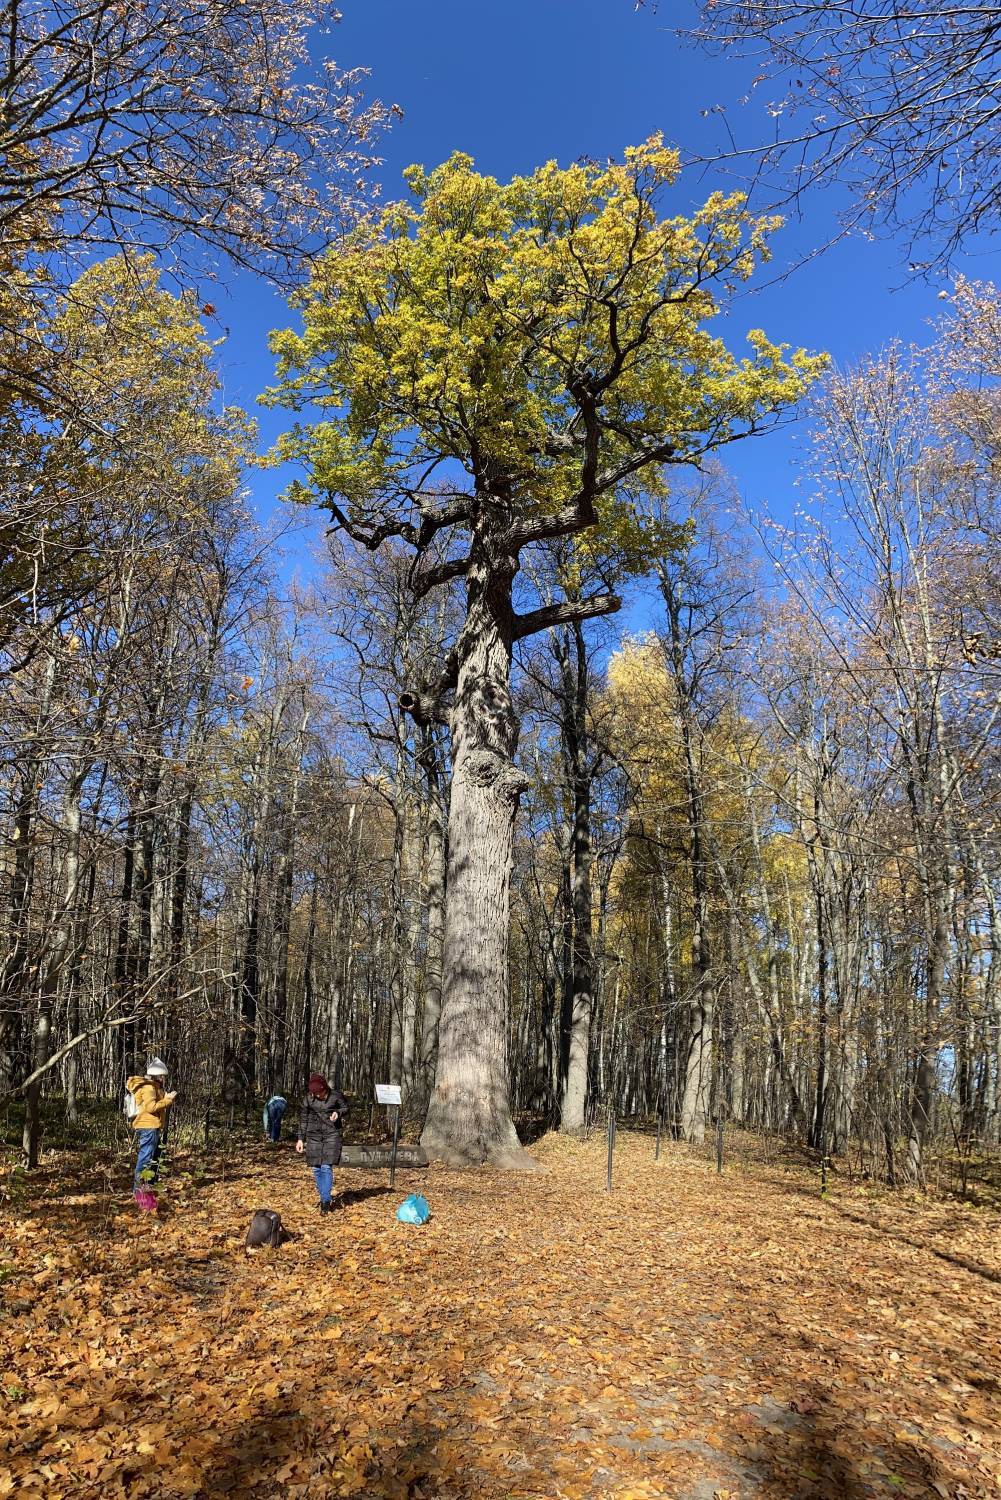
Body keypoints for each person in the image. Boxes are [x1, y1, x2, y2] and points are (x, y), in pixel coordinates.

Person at [125, 1057, 176, 1212]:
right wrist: (168, 1100)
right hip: (148, 1127)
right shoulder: (148, 1087)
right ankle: (140, 1193)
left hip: (151, 1127)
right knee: (145, 1159)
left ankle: (147, 1193)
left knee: (152, 1160)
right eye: (162, 1076)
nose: (163, 1079)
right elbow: (150, 1107)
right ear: (157, 1075)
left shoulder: (152, 1086)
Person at [296, 1073, 348, 1213]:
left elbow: (345, 1108)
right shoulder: (308, 1099)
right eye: (316, 1094)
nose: (319, 1096)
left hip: (332, 1134)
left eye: (321, 1093)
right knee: (316, 1168)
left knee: (326, 1167)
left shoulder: (336, 1095)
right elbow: (303, 1119)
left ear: (325, 1088)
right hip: (313, 1136)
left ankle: (325, 1200)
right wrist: (300, 1139)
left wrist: (338, 1113)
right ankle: (324, 1196)